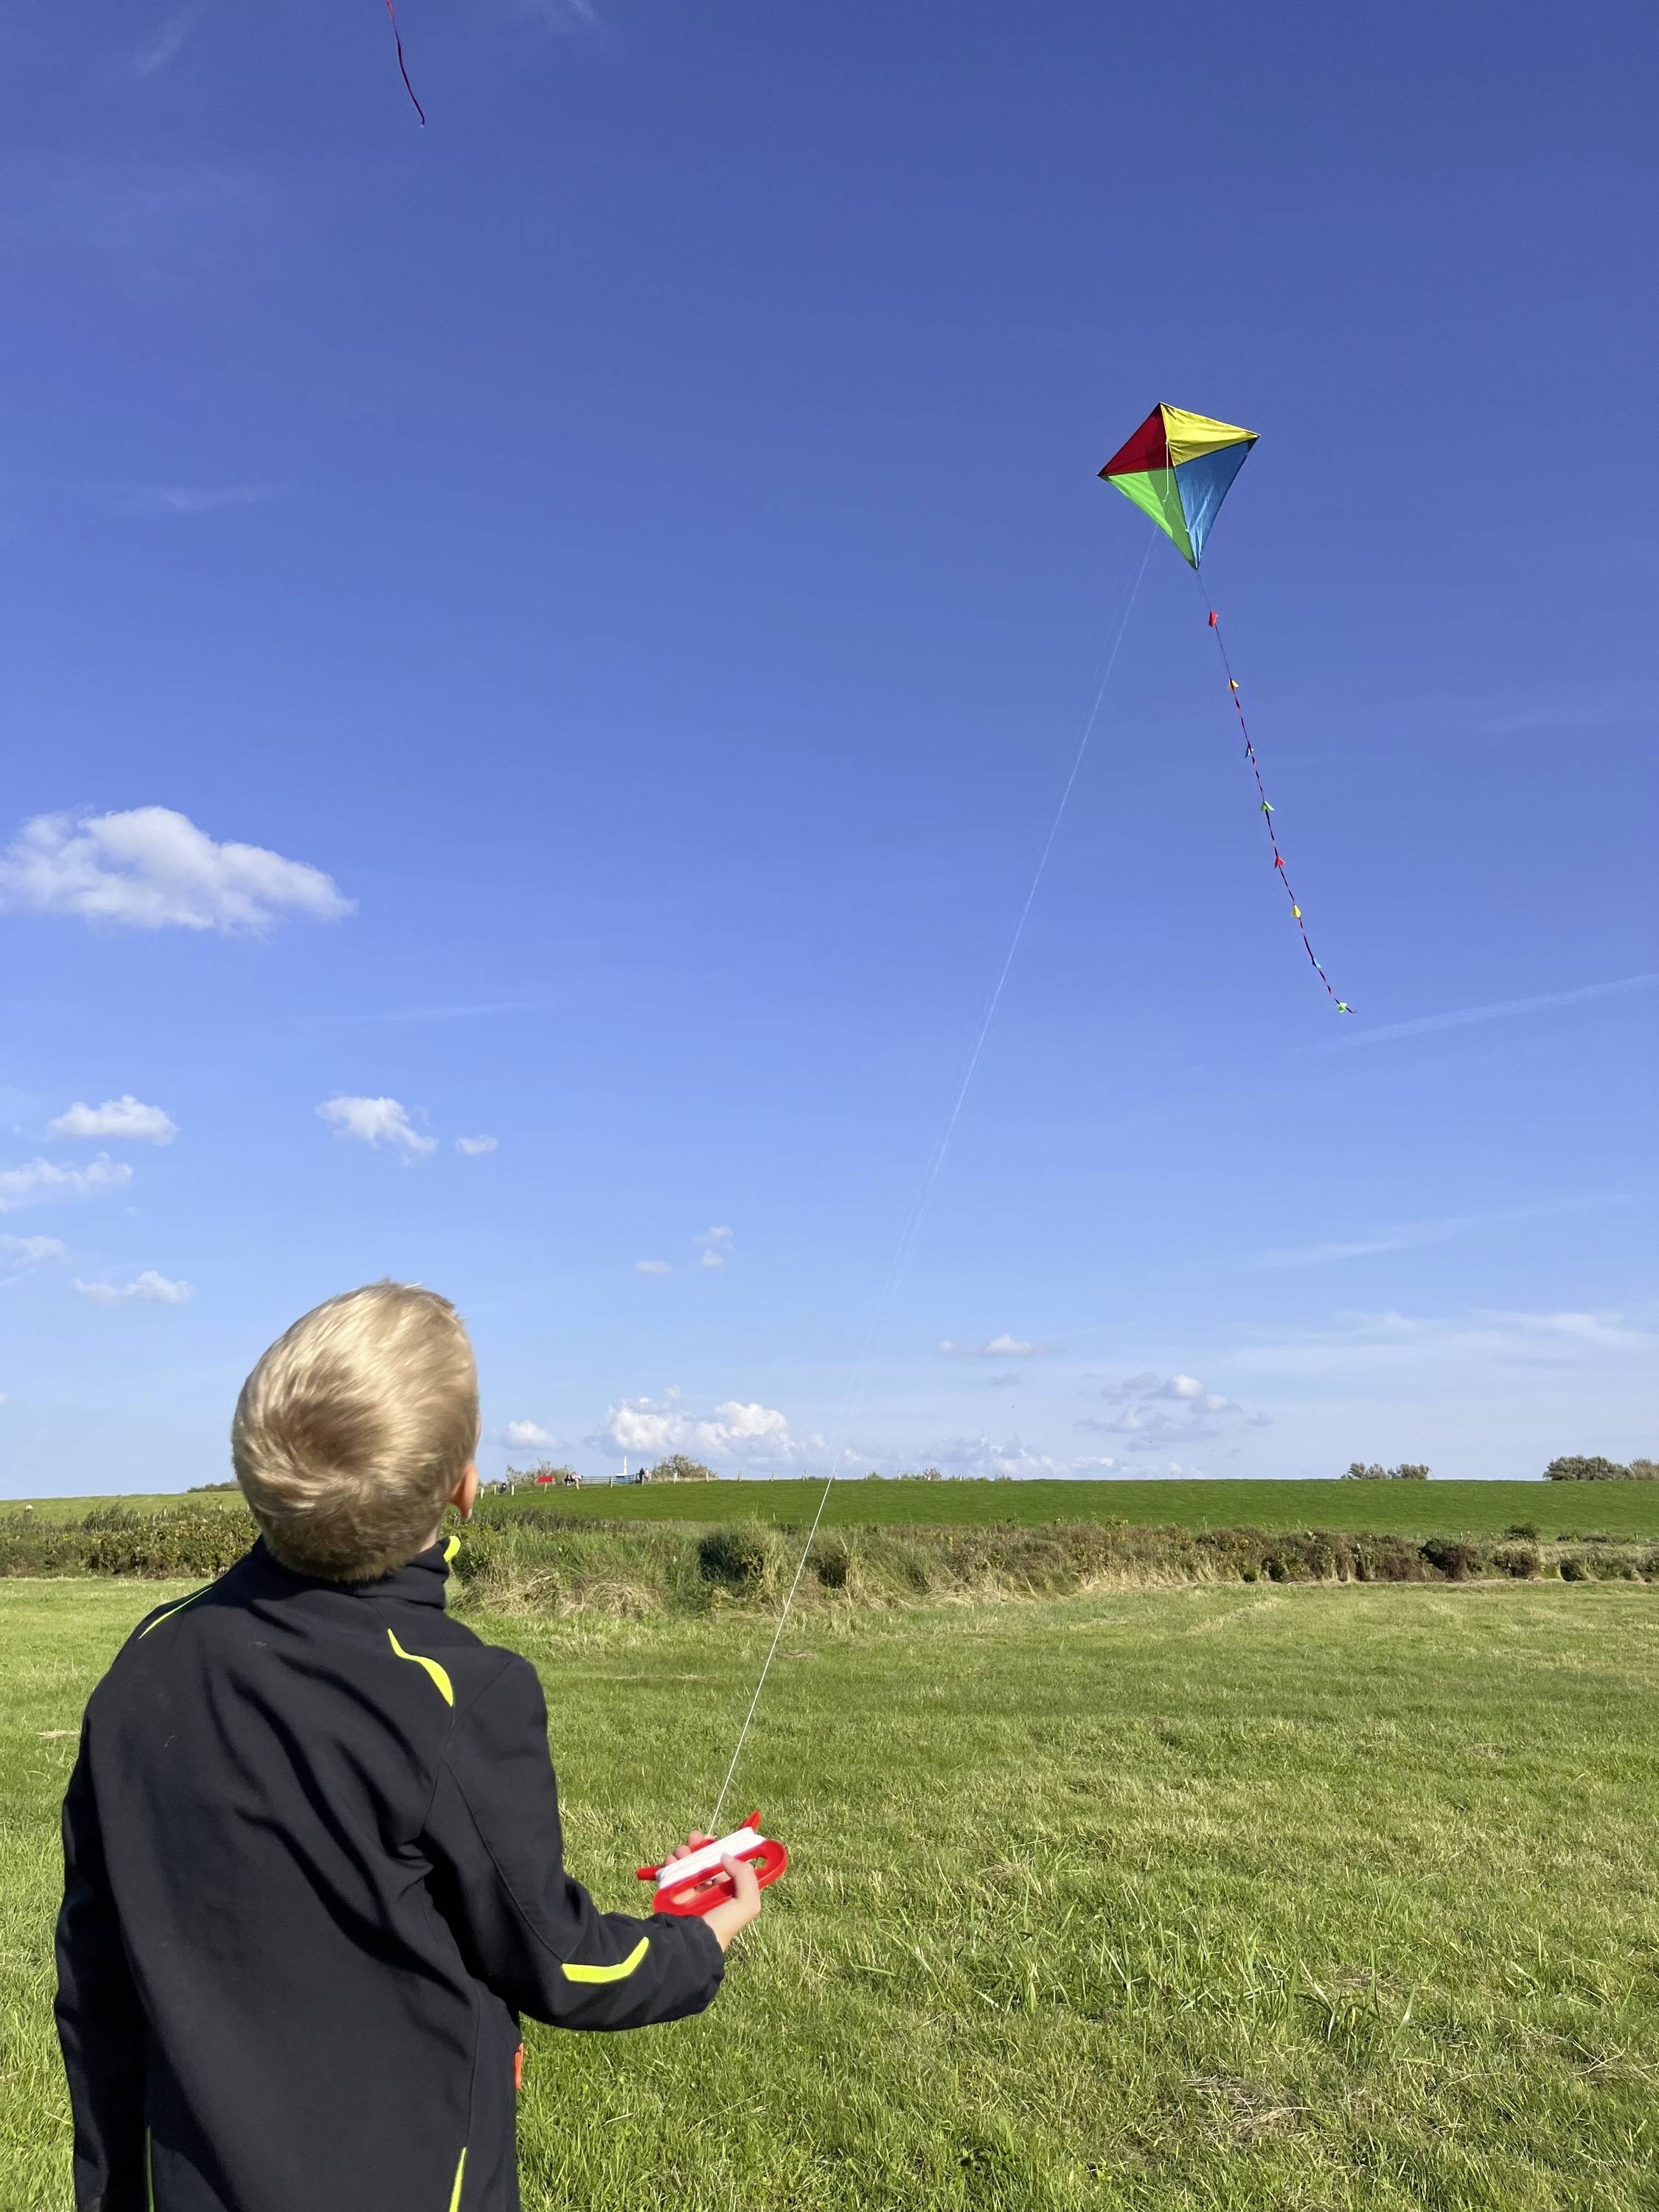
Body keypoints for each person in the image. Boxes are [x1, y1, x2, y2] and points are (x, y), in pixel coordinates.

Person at [55, 1281, 762, 2212]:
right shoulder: (462, 1692)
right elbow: (564, 1962)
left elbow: (91, 1975)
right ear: (464, 1487)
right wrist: (697, 1939)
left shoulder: (147, 1663)